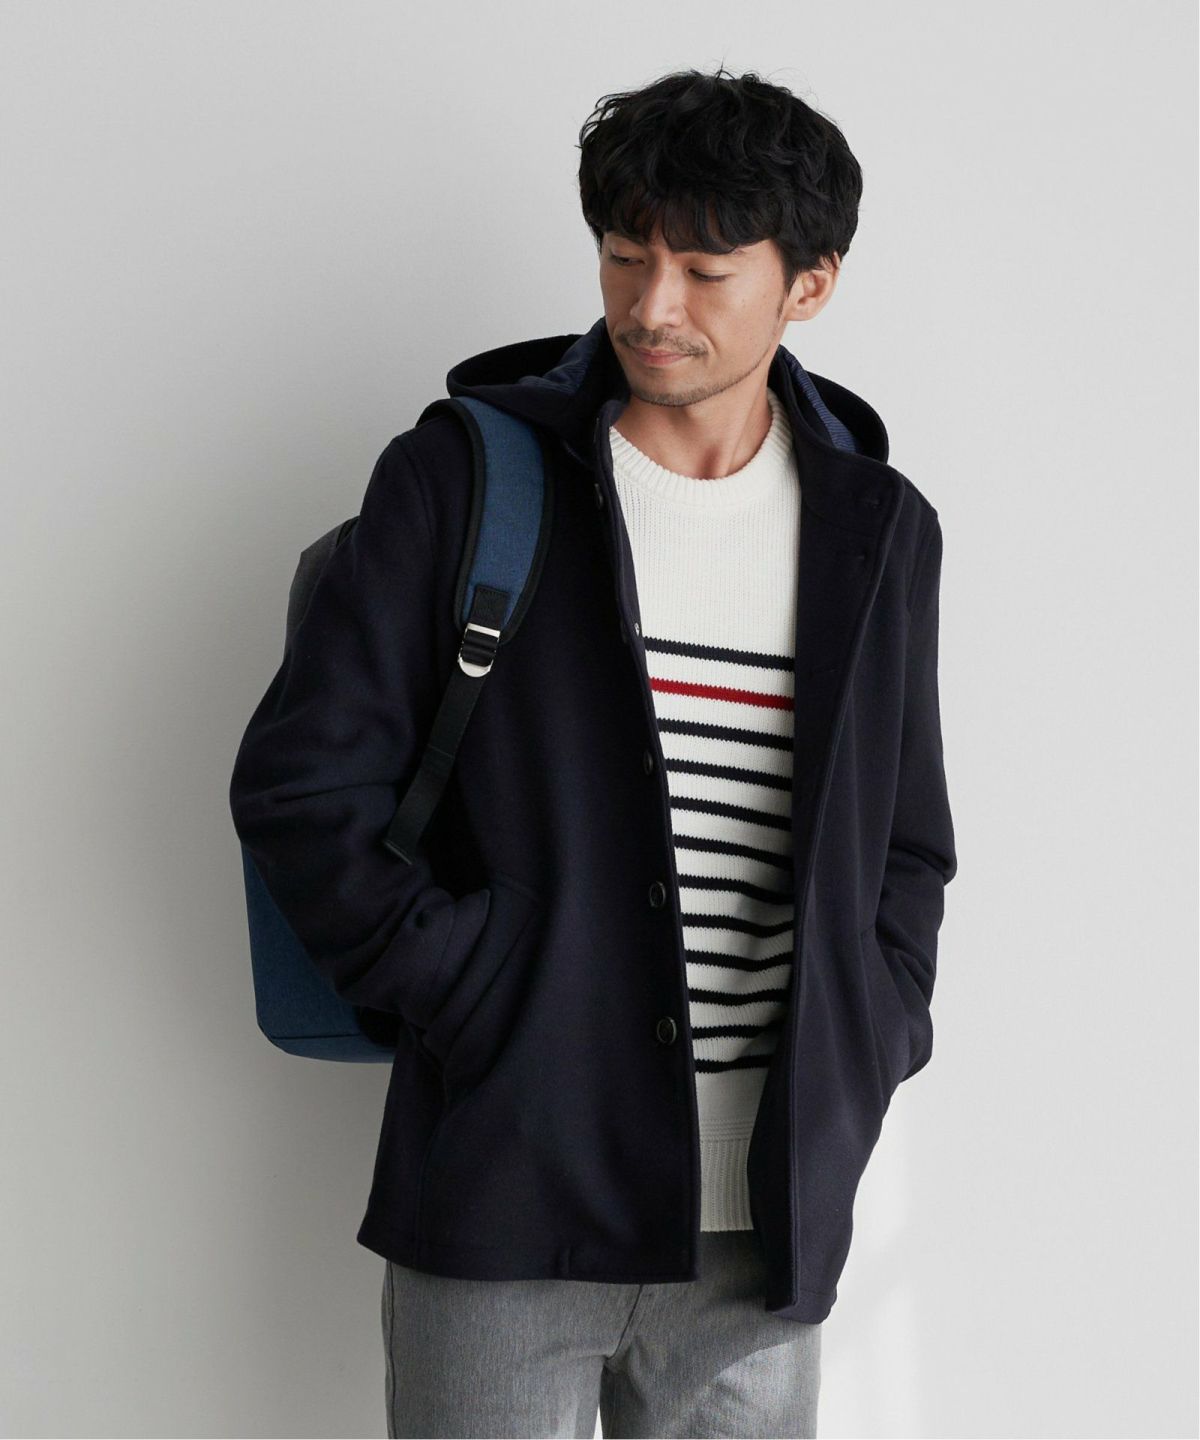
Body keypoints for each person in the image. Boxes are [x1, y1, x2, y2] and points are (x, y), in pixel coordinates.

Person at [229, 65, 957, 1440]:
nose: (650, 305)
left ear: (808, 286)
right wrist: (475, 990)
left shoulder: (880, 526)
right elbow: (303, 784)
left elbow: (905, 842)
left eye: (705, 271)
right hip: (509, 1189)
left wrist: (877, 1024)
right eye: (626, 256)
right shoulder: (466, 476)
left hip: (770, 1227)